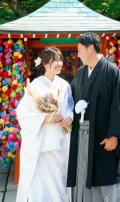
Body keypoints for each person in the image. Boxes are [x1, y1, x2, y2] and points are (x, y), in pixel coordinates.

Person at [67, 32, 120, 201]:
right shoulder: (80, 74)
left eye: (79, 50)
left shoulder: (111, 71)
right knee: (83, 174)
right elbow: (69, 100)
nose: (77, 54)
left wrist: (114, 135)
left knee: (104, 174)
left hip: (103, 136)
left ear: (91, 48)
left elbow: (119, 105)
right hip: (82, 135)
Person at [16, 47, 74, 202]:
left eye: (60, 60)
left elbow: (70, 107)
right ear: (45, 62)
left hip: (60, 141)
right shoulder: (34, 86)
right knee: (42, 184)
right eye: (55, 60)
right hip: (42, 143)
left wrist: (70, 117)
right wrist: (44, 119)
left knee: (61, 182)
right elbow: (22, 112)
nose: (59, 63)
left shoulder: (64, 85)